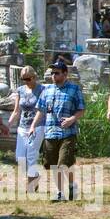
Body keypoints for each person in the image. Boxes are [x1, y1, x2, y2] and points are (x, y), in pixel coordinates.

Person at [33, 61, 85, 202]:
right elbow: (41, 111)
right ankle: (66, 189)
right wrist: (33, 126)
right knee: (53, 164)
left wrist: (72, 119)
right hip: (50, 132)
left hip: (67, 133)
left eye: (56, 73)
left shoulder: (74, 89)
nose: (53, 76)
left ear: (65, 74)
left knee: (63, 163)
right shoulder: (47, 90)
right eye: (52, 73)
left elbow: (81, 109)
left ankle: (65, 190)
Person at [4, 66, 44, 193]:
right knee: (19, 157)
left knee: (31, 155)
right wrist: (8, 126)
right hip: (22, 126)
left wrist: (34, 125)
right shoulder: (20, 90)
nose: (25, 81)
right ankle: (35, 175)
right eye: (23, 79)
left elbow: (42, 110)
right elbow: (16, 111)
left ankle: (31, 184)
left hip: (38, 125)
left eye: (28, 78)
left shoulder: (42, 89)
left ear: (34, 77)